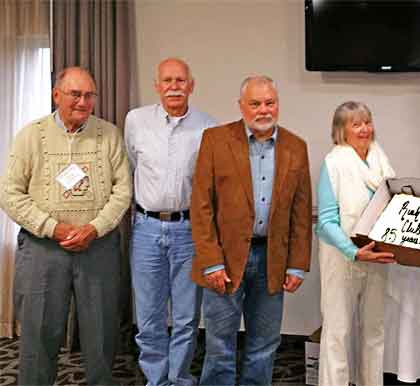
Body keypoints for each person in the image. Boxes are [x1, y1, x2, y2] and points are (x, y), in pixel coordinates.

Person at [0, 66, 132, 385]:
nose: (82, 101)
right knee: (38, 334)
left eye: (89, 95)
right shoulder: (32, 135)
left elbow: (123, 190)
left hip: (98, 248)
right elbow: (9, 192)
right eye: (75, 94)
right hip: (42, 249)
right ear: (56, 95)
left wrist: (94, 228)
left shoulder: (109, 134)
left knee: (101, 337)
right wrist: (52, 227)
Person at [190, 75, 312, 385]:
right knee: (219, 345)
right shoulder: (215, 140)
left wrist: (297, 264)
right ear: (241, 106)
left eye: (269, 103)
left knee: (265, 345)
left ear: (277, 105)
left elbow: (300, 212)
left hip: (272, 258)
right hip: (225, 260)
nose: (263, 110)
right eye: (255, 103)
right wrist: (211, 262)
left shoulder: (296, 147)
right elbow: (201, 207)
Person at [125, 58, 217, 386]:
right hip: (146, 229)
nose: (174, 86)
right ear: (157, 86)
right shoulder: (135, 121)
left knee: (186, 317)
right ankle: (156, 380)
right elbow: (132, 166)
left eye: (180, 80)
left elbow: (210, 184)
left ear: (191, 85)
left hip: (189, 231)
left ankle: (179, 379)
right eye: (167, 80)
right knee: (149, 316)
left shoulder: (208, 126)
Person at [316, 101, 397, 386]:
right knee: (338, 333)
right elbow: (325, 222)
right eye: (356, 124)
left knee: (374, 330)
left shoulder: (380, 158)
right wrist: (352, 252)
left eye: (367, 121)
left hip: (376, 256)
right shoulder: (333, 163)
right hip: (343, 258)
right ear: (341, 131)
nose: (365, 129)